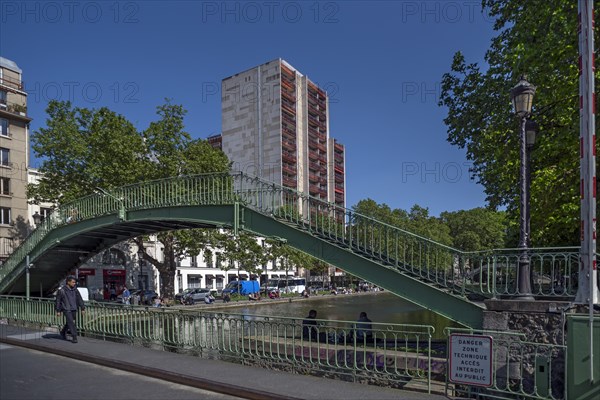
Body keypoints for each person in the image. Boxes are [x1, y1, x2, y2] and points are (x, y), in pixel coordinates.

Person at [55, 276, 85, 343]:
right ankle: (74, 337)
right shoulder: (62, 290)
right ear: (68, 282)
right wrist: (58, 310)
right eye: (73, 282)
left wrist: (83, 308)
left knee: (69, 322)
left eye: (75, 282)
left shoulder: (75, 290)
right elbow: (58, 301)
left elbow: (80, 299)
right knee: (71, 322)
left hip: (74, 308)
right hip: (66, 309)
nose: (74, 283)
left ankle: (63, 332)